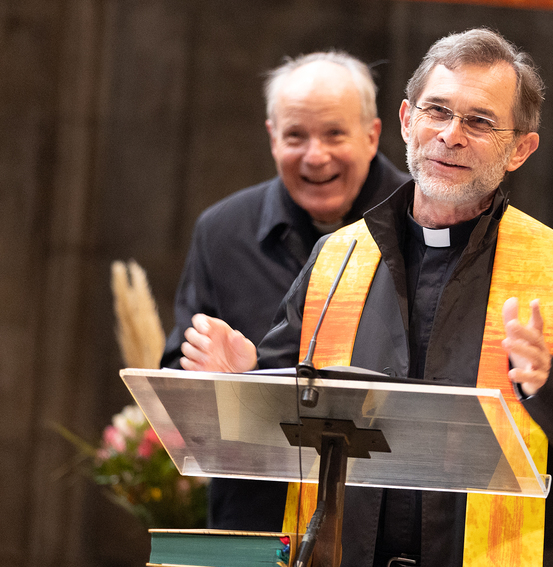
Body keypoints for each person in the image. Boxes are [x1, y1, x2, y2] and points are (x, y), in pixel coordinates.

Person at [178, 28, 553, 567]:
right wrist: (244, 381)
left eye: (480, 121)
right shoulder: (338, 256)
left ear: (521, 149)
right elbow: (283, 426)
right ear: (406, 120)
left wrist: (549, 381)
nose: (451, 135)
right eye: (437, 111)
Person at [160, 50, 410, 531]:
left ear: (373, 134)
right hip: (255, 514)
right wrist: (221, 380)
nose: (316, 156)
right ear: (273, 137)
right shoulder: (222, 231)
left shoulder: (421, 225)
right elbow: (178, 383)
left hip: (379, 521)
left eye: (335, 133)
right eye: (296, 135)